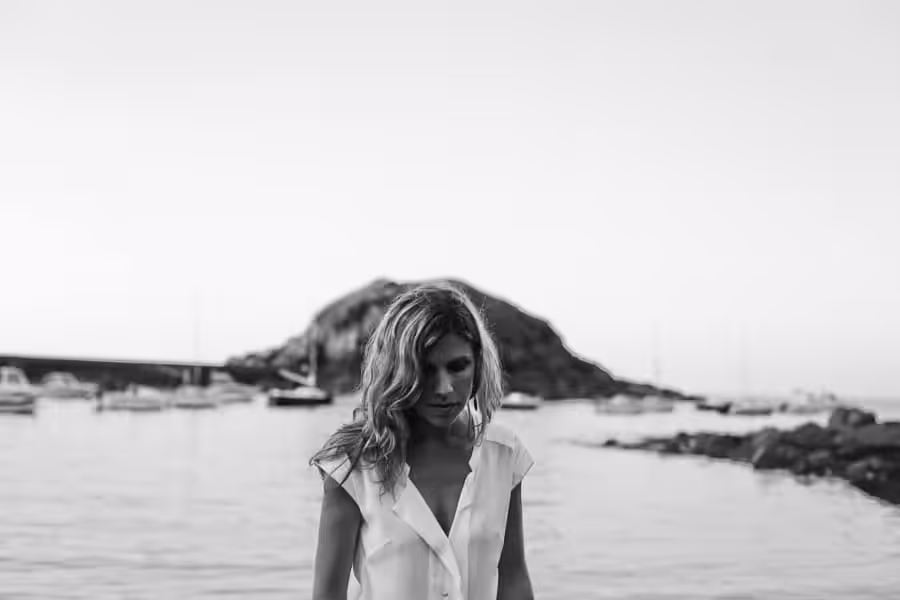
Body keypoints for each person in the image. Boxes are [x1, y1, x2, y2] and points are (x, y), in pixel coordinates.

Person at [310, 282, 535, 600]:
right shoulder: (352, 466)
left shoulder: (504, 454)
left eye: (458, 367)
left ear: (478, 365)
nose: (444, 388)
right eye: (425, 370)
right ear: (397, 371)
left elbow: (513, 582)